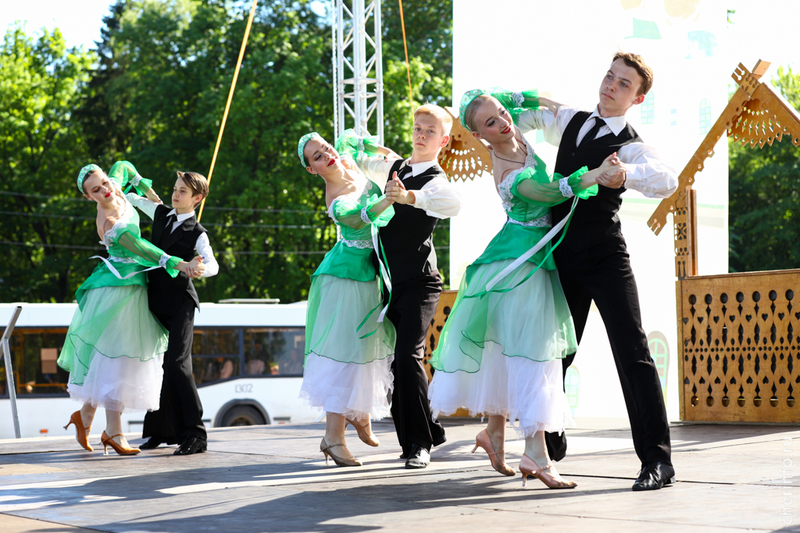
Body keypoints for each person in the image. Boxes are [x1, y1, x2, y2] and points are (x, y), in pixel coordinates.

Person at [429, 89, 620, 488]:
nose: (503, 121)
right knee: (533, 357)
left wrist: (532, 100)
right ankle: (537, 454)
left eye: (501, 113)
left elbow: (527, 105)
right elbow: (551, 193)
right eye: (492, 122)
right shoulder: (508, 173)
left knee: (508, 351)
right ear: (482, 136)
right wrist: (596, 173)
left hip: (531, 259)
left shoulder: (513, 127)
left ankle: (494, 435)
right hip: (518, 263)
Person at [528, 52, 678, 491]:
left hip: (606, 257)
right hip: (561, 253)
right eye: (610, 76)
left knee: (633, 353)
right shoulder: (572, 119)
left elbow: (667, 179)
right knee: (556, 351)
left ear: (638, 98)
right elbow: (530, 115)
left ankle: (658, 460)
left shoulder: (629, 143)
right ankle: (549, 433)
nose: (611, 85)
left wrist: (625, 174)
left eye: (624, 83)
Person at [58, 162, 204, 456]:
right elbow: (144, 249)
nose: (105, 189)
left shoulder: (115, 185)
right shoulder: (112, 222)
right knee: (117, 360)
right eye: (95, 190)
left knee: (113, 359)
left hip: (134, 288)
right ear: (90, 198)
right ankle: (114, 432)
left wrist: (146, 190)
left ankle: (86, 417)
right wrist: (179, 263)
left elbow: (123, 166)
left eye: (104, 183)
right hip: (119, 290)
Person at [355, 104, 462, 469]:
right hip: (390, 284)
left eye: (430, 130)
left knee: (407, 357)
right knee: (394, 364)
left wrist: (408, 197)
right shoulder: (394, 166)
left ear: (443, 140)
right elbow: (360, 158)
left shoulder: (436, 179)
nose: (421, 134)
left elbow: (452, 205)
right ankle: (427, 428)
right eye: (417, 127)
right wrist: (355, 147)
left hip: (421, 284)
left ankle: (419, 443)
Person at [297, 131, 396, 467]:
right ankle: (333, 437)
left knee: (365, 349)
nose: (327, 154)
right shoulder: (337, 197)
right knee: (342, 356)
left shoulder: (345, 155)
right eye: (318, 156)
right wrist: (390, 198)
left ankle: (359, 414)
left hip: (369, 275)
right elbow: (360, 218)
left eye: (325, 147)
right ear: (312, 170)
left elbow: (352, 136)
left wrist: (374, 148)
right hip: (345, 278)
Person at [130, 171, 219, 456]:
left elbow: (213, 264)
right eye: (175, 188)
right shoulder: (161, 213)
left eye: (183, 191)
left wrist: (201, 268)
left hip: (181, 302)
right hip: (155, 300)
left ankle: (196, 435)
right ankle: (161, 431)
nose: (176, 194)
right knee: (160, 365)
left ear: (197, 199)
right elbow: (130, 199)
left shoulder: (198, 233)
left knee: (179, 364)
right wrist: (129, 180)